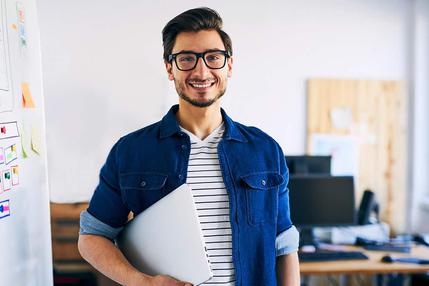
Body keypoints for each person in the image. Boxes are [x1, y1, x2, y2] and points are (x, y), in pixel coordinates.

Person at [78, 7, 300, 286]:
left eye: (213, 57)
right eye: (186, 59)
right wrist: (141, 282)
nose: (201, 70)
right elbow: (91, 238)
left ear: (229, 65)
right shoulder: (131, 151)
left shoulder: (266, 150)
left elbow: (284, 245)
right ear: (169, 68)